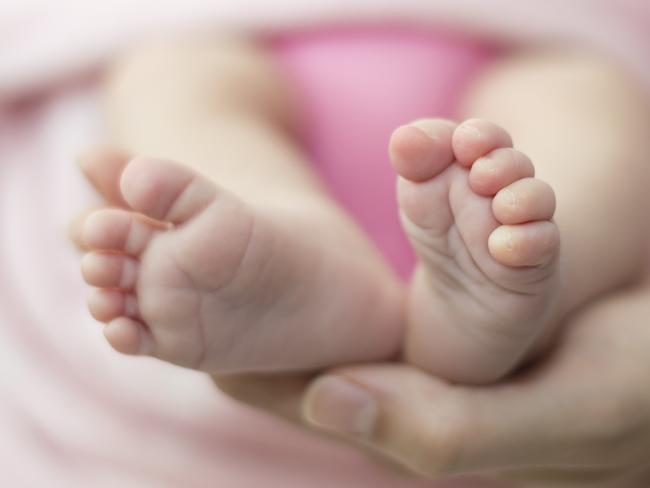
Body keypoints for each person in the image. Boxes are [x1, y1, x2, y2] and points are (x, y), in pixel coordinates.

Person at [71, 26, 650, 485]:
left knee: (587, 92)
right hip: (245, 38)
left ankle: (535, 290)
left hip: (529, 36)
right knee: (173, 68)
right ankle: (292, 242)